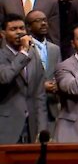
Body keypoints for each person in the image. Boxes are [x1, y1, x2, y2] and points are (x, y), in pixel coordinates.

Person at [0, 14, 47, 144]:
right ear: (3, 33)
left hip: (31, 126)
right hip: (6, 126)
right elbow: (5, 77)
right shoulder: (3, 56)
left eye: (21, 28)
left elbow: (40, 94)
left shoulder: (34, 55)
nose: (19, 32)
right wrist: (23, 53)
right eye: (13, 29)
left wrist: (42, 128)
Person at [26, 10, 61, 134]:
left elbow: (59, 72)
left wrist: (58, 84)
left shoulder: (55, 49)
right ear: (28, 27)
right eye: (38, 21)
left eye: (45, 20)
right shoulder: (24, 48)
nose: (43, 23)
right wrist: (42, 86)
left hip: (52, 105)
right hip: (30, 106)